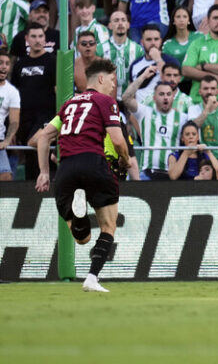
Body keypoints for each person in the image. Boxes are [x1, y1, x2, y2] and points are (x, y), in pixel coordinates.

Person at [34, 59, 131, 293]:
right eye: (111, 80)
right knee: (108, 225)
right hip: (94, 163)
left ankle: (80, 217)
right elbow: (117, 140)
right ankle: (91, 278)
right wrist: (125, 162)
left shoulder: (68, 105)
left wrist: (44, 172)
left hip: (66, 168)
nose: (113, 85)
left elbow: (45, 136)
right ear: (100, 79)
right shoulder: (105, 101)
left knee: (82, 238)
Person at [11, 23, 57, 181]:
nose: (37, 40)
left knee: (37, 144)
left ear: (45, 38)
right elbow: (14, 96)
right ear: (26, 39)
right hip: (25, 120)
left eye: (41, 36)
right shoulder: (19, 65)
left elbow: (59, 91)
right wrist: (14, 126)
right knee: (31, 165)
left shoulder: (53, 62)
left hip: (47, 116)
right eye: (34, 36)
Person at [123, 71, 187, 180]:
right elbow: (126, 98)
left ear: (173, 97)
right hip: (147, 173)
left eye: (168, 94)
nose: (165, 97)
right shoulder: (145, 112)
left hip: (172, 176)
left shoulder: (183, 117)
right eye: (161, 94)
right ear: (154, 97)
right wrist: (142, 77)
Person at [96, 11, 144, 98]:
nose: (120, 23)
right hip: (107, 97)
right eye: (116, 20)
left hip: (130, 98)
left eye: (123, 20)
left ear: (128, 25)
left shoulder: (138, 49)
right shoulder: (100, 49)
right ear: (110, 25)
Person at [128, 24, 180, 103]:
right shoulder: (135, 64)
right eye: (149, 39)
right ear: (142, 42)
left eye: (156, 39)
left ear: (161, 41)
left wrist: (158, 60)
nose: (153, 43)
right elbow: (131, 93)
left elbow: (171, 84)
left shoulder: (171, 61)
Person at [0, 50, 20, 181]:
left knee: (6, 176)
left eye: (7, 63)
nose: (4, 66)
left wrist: (7, 140)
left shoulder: (12, 91)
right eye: (0, 63)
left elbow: (14, 121)